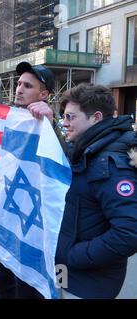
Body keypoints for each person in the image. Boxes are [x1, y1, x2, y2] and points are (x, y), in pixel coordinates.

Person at [0, 61, 58, 299]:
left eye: (27, 85)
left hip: (28, 230)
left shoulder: (50, 126)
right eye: (18, 83)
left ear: (43, 94)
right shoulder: (5, 119)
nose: (19, 88)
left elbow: (63, 167)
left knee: (26, 293)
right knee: (3, 288)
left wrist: (51, 125)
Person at [55, 83, 137, 299]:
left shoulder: (111, 163)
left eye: (70, 117)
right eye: (63, 117)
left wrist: (72, 255)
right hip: (67, 271)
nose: (65, 123)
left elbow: (129, 233)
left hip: (89, 282)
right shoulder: (87, 150)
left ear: (96, 117)